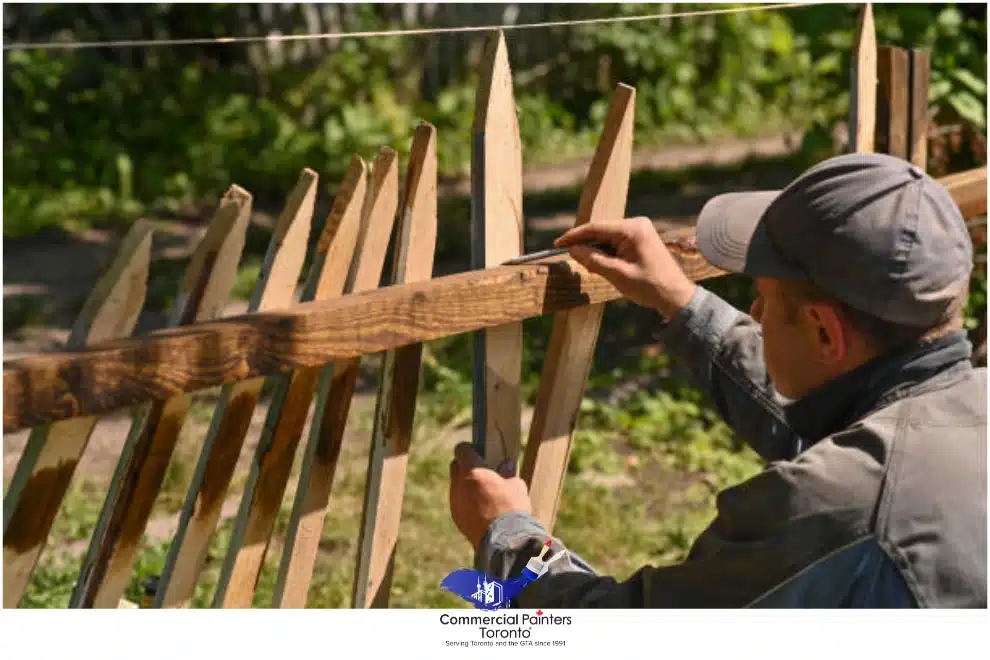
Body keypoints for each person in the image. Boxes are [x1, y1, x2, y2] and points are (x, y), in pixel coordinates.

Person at [447, 152, 987, 608]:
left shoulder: (840, 505)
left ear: (825, 334)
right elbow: (852, 441)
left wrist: (508, 538)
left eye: (765, 300)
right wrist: (680, 302)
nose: (753, 310)